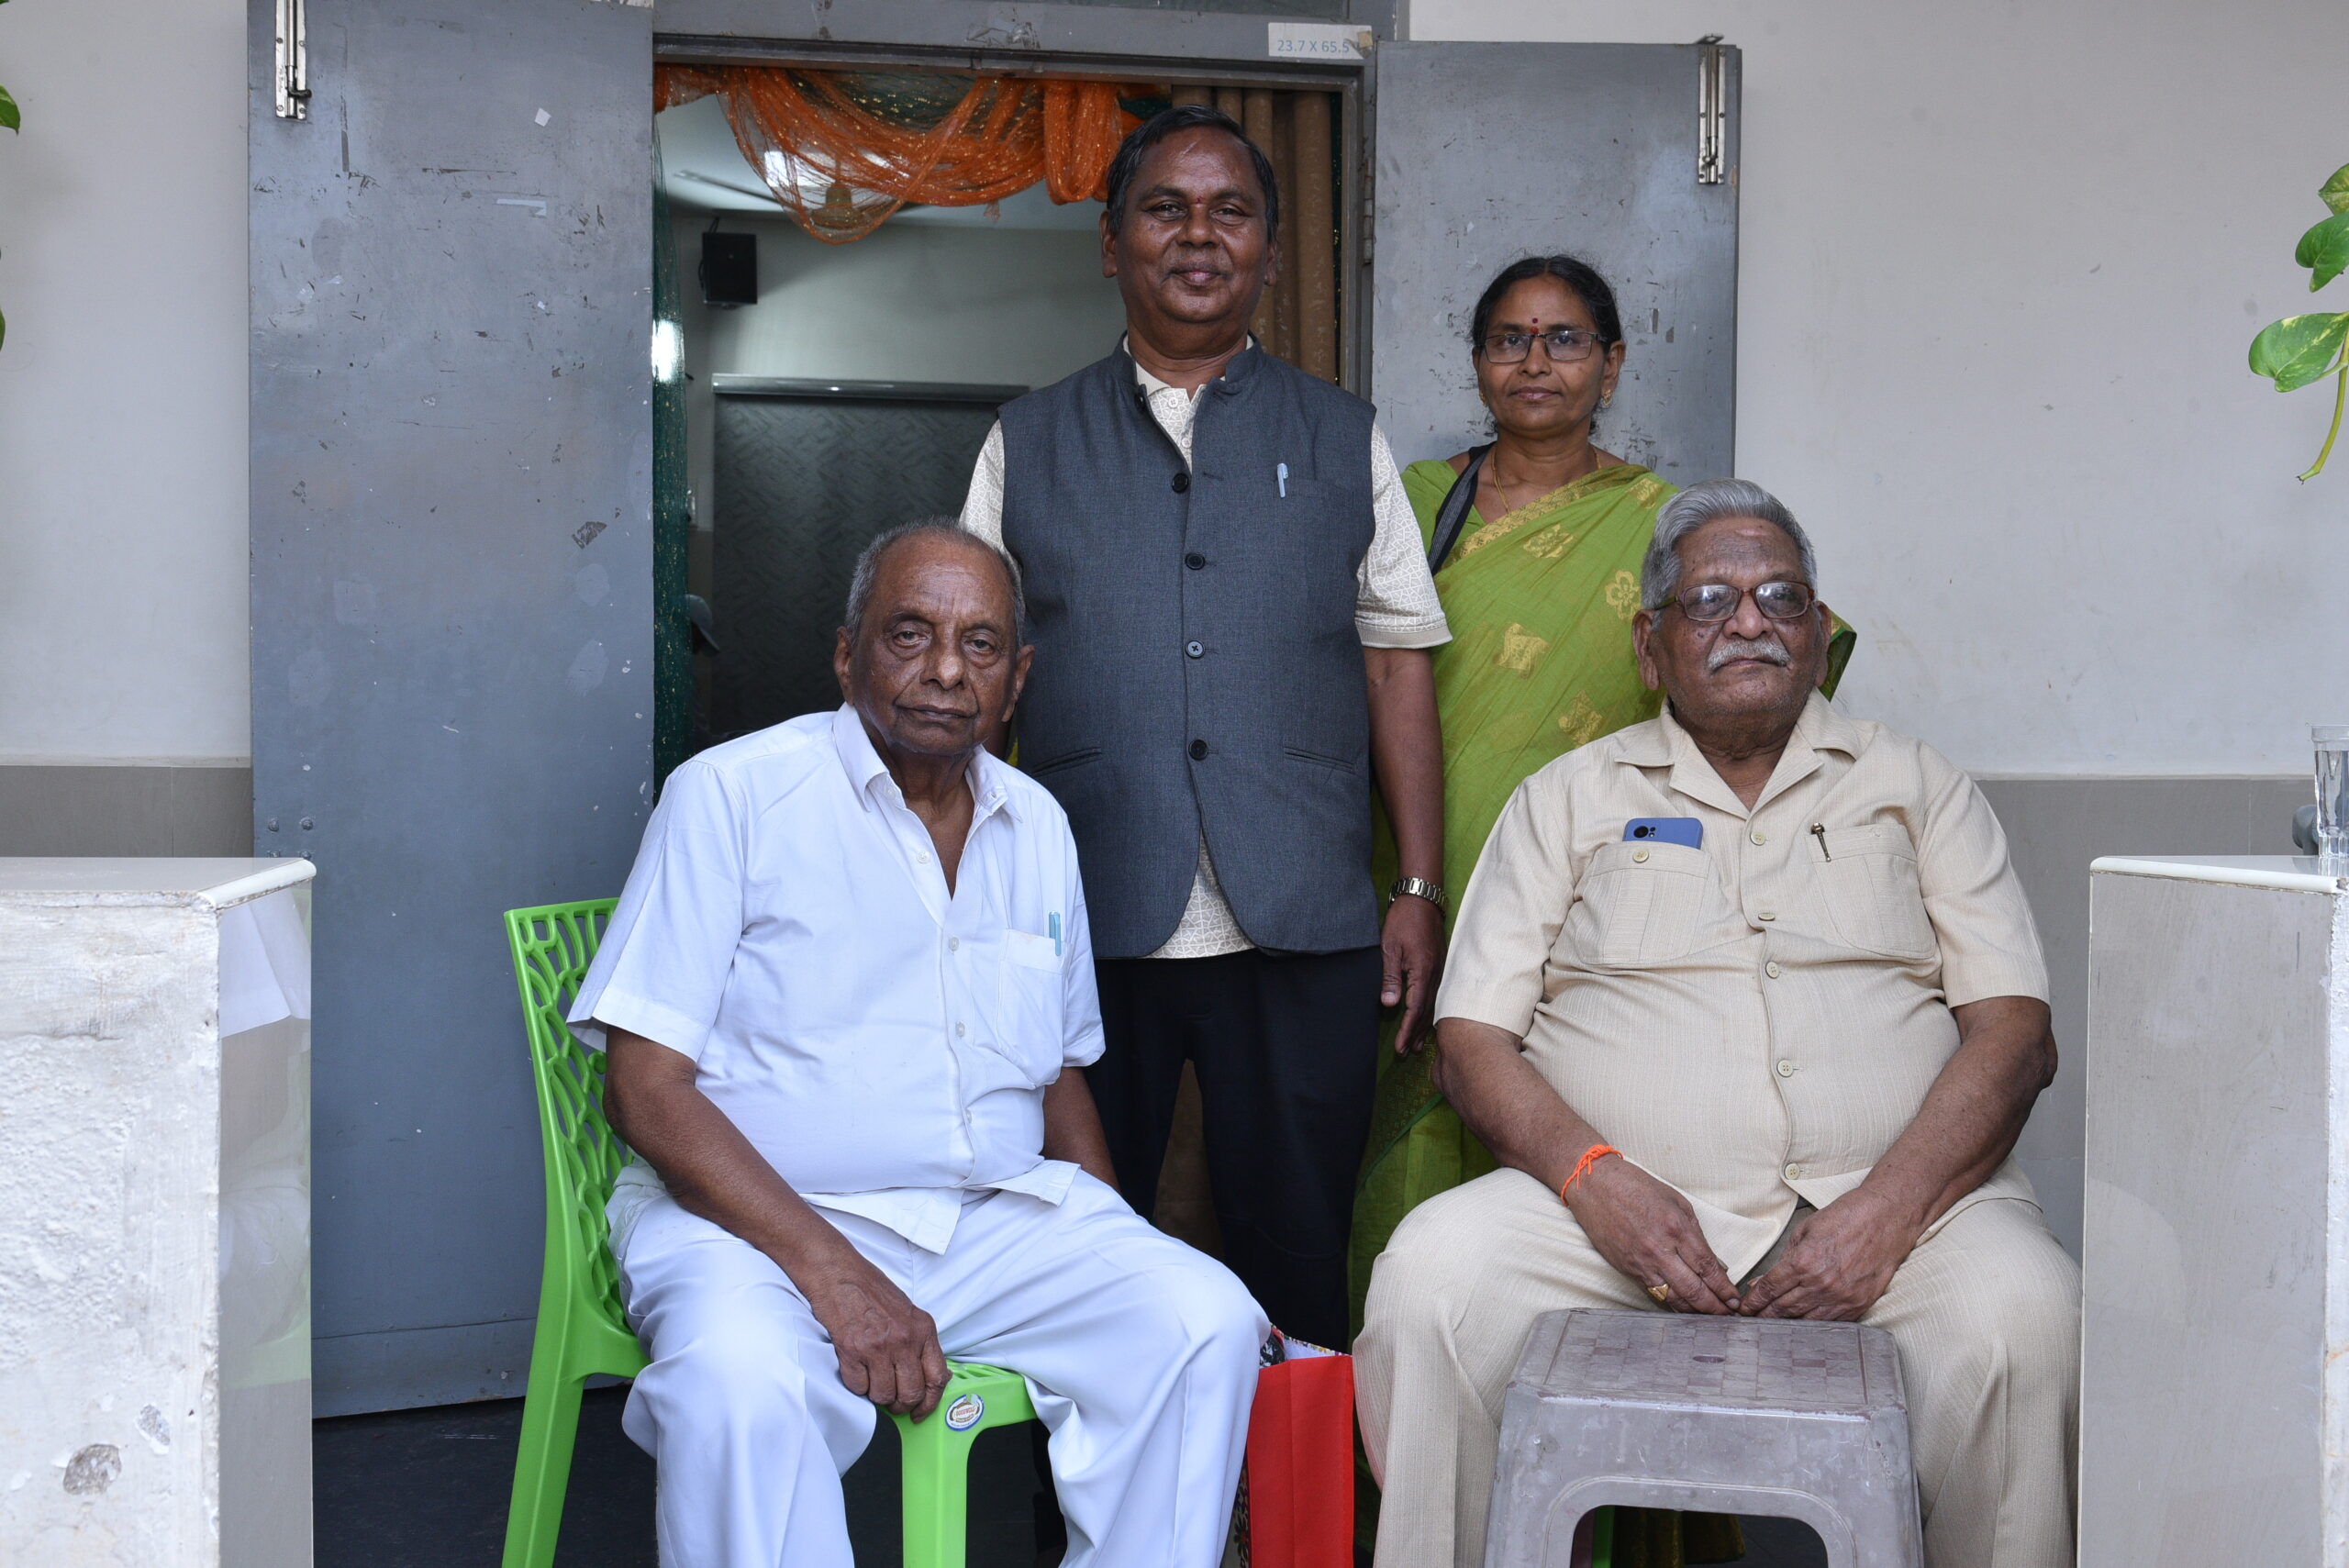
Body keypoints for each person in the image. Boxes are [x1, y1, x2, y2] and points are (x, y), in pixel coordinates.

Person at [1355, 480, 2078, 1568]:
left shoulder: (1917, 786)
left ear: (1818, 632)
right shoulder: (1565, 798)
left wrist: (1884, 1212)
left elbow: (2016, 1032)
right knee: (1430, 1286)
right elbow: (1470, 1039)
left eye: (1779, 596)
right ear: (1649, 646)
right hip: (1603, 1219)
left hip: (1899, 1214)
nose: (1749, 621)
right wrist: (1594, 1180)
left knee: (2029, 1317)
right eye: (1709, 600)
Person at [571, 520, 1266, 1568]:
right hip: (753, 1223)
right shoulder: (733, 794)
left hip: (986, 1221)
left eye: (980, 644)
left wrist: (1118, 1245)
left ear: (1016, 679)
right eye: (909, 634)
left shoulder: (1036, 823)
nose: (945, 670)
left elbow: (1057, 1076)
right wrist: (834, 1272)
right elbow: (645, 1089)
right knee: (738, 1389)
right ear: (846, 654)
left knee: (1201, 1319)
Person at [961, 104, 1450, 1353]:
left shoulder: (1342, 435)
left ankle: (1283, 1477)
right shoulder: (1026, 440)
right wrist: (965, 892)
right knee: (1070, 1247)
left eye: (1230, 211)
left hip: (1302, 917)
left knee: (1297, 1247)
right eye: (1164, 208)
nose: (1198, 235)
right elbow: (966, 675)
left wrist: (1415, 884)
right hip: (1084, 912)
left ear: (1270, 254)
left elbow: (1396, 661)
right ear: (1110, 242)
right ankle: (1085, 1484)